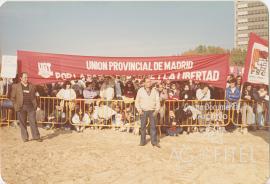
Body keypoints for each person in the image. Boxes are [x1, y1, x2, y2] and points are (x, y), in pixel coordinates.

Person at [10, 72, 42, 142]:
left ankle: (36, 136)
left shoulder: (32, 86)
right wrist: (16, 106)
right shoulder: (15, 86)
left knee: (33, 122)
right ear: (21, 78)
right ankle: (25, 138)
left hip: (31, 107)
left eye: (27, 77)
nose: (26, 79)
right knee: (22, 123)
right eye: (25, 77)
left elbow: (37, 96)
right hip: (21, 107)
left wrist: (37, 105)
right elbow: (12, 98)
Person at [135, 78, 160, 148]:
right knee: (142, 127)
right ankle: (142, 142)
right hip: (143, 111)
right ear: (144, 83)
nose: (149, 83)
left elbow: (158, 101)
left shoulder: (155, 91)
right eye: (147, 82)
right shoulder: (140, 91)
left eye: (150, 82)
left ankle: (154, 142)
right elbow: (137, 101)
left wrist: (156, 110)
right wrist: (139, 110)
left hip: (153, 111)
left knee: (153, 127)